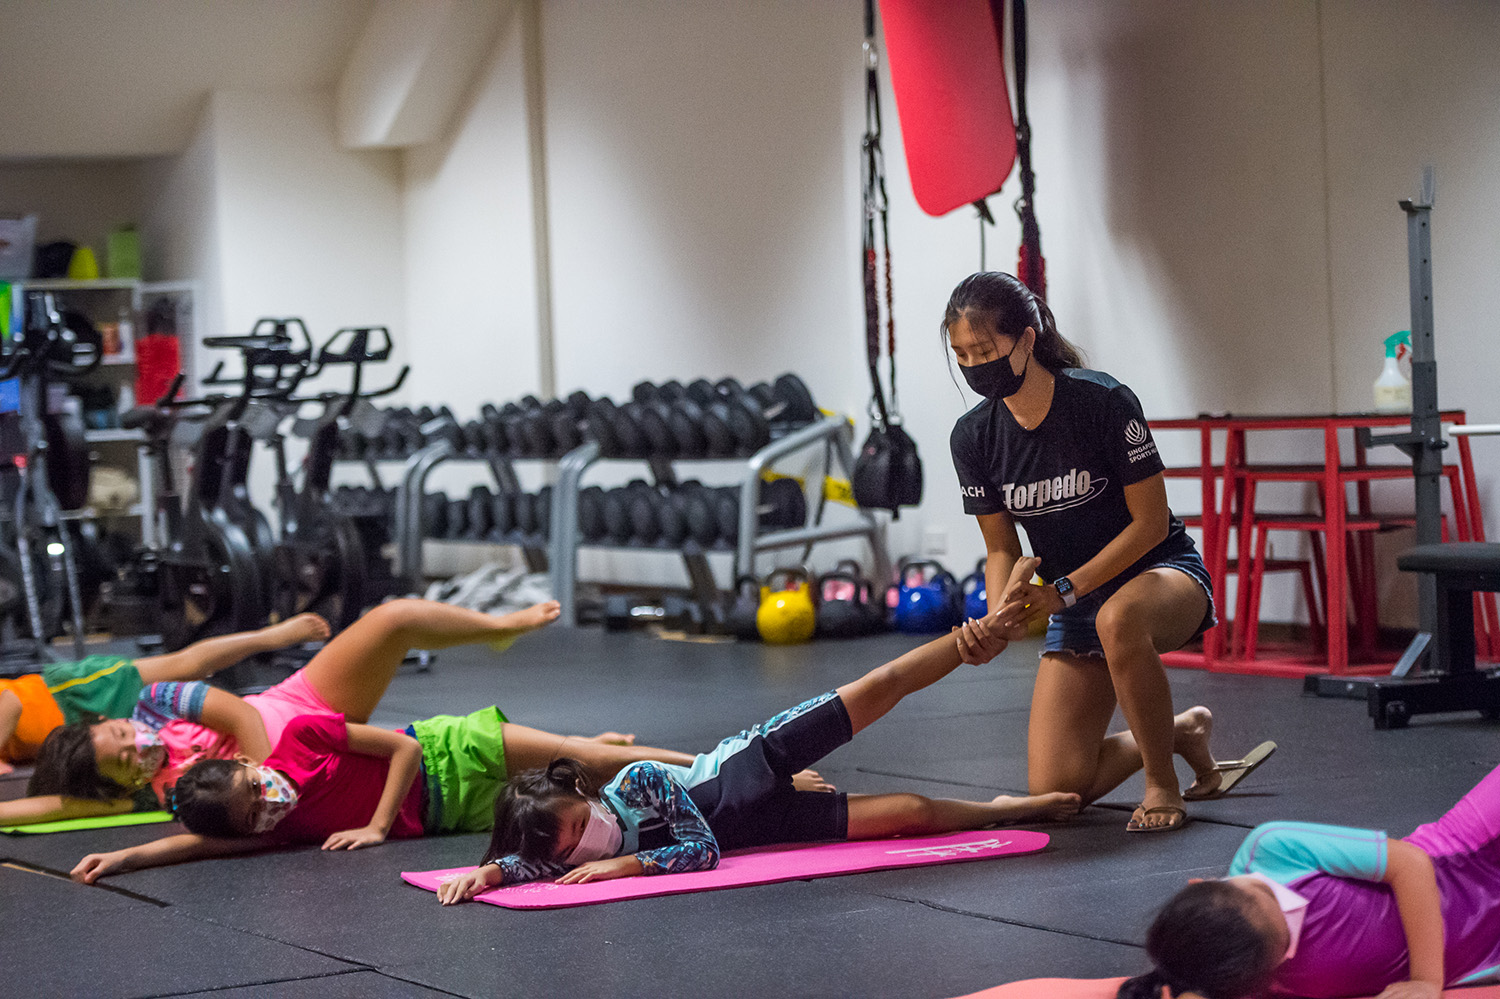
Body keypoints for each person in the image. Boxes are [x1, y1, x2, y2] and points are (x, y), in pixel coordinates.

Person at [434, 621, 1084, 904]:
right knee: (911, 812)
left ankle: (969, 639)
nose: (581, 844)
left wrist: (626, 861)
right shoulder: (564, 849)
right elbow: (533, 863)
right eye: (570, 843)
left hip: (752, 762)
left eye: (579, 824)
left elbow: (700, 846)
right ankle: (1011, 808)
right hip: (763, 823)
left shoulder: (638, 782)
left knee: (877, 688)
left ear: (583, 795)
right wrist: (487, 873)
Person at [942, 271, 1269, 833]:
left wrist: (1064, 591)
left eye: (985, 350)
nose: (974, 366)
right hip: (1073, 601)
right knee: (1056, 792)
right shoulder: (972, 437)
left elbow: (1148, 525)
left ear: (1025, 339)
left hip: (1161, 575)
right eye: (962, 355)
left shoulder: (1102, 401)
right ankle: (1178, 731)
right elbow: (1001, 548)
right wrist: (999, 619)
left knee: (1120, 619)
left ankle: (1163, 782)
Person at [12, 599, 617, 829]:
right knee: (495, 777)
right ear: (116, 784)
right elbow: (46, 806)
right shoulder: (146, 796)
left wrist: (272, 773)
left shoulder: (156, 705)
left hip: (300, 708)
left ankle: (498, 628)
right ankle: (576, 746)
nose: (135, 743)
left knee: (393, 619)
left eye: (121, 732)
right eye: (125, 757)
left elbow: (239, 717)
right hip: (315, 762)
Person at [1117, 762, 1500, 999]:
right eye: (1284, 933)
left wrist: (1426, 982)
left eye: (1249, 886)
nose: (1250, 880)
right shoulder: (1251, 977)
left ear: (1200, 883)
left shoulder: (1271, 851)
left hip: (1465, 854)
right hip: (1482, 948)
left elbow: (1411, 863)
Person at [0, 613, 330, 778]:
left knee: (184, 665)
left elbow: (10, 704)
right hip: (87, 745)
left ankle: (267, 637)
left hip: (75, 698)